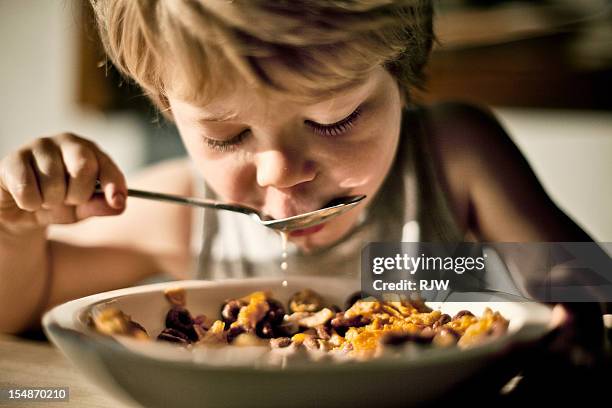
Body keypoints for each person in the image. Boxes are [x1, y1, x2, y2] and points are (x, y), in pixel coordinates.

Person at [0, 0, 603, 347]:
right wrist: (19, 228)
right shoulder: (183, 209)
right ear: (167, 107)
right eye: (225, 135)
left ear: (400, 72)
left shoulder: (455, 155)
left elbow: (582, 278)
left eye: (335, 120)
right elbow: (20, 307)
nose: (281, 172)